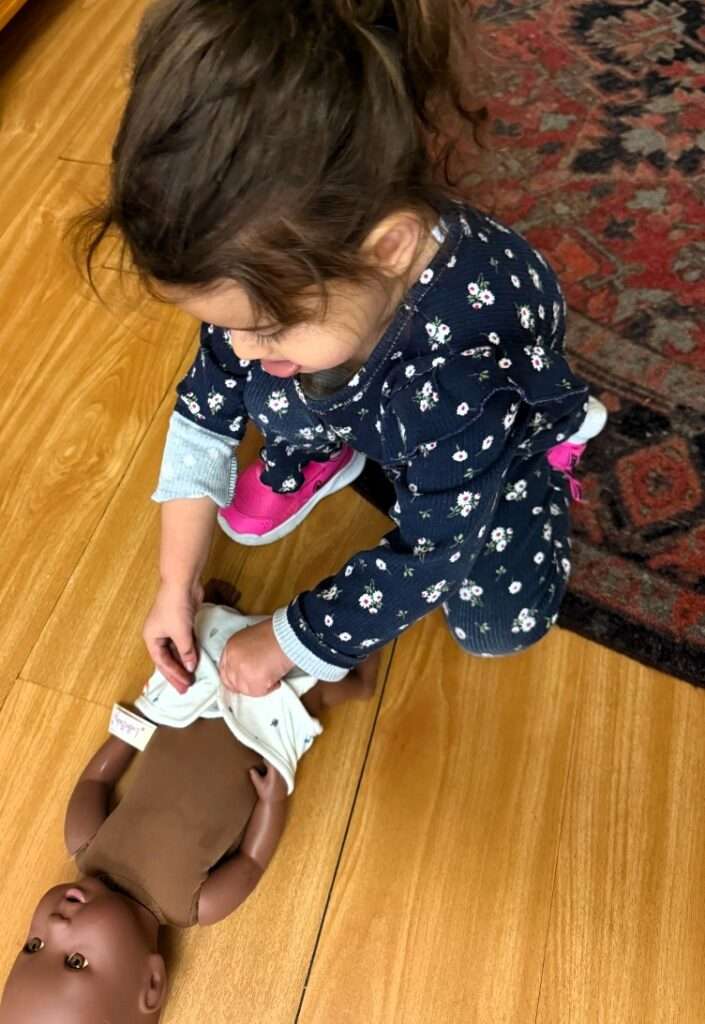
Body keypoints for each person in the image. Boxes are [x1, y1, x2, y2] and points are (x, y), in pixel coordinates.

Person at [75, 0, 606, 700]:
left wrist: (290, 639)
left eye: (265, 327)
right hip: (377, 379)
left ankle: (545, 459)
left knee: (497, 625)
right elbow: (206, 407)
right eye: (224, 323)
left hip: (481, 425)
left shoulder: (461, 382)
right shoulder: (273, 282)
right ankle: (327, 439)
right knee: (268, 375)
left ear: (388, 249)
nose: (238, 347)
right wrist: (176, 581)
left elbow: (431, 553)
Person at [0, 581, 378, 1023]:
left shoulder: (85, 842)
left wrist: (136, 725)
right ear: (151, 983)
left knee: (194, 639)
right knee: (313, 687)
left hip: (190, 705)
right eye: (75, 961)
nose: (55, 926)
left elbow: (95, 779)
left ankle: (219, 609)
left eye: (34, 945)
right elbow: (252, 860)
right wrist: (272, 801)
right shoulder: (197, 904)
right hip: (261, 728)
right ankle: (359, 682)